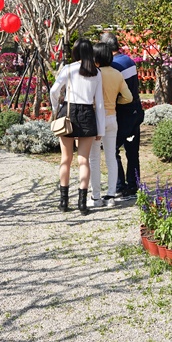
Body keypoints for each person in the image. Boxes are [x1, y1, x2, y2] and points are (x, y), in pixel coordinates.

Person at [49, 38, 106, 215]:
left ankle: (63, 202)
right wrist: (101, 129)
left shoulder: (69, 69)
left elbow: (53, 90)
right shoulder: (96, 72)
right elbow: (100, 103)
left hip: (68, 111)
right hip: (88, 114)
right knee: (84, 160)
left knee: (65, 159)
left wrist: (54, 108)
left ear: (75, 52)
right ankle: (82, 204)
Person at [88, 41, 133, 208]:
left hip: (95, 118)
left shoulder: (94, 74)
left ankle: (96, 197)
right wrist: (115, 101)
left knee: (94, 158)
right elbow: (128, 97)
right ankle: (111, 195)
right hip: (112, 117)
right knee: (111, 157)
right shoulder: (117, 74)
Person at [100, 32, 142, 198]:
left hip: (122, 113)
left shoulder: (114, 67)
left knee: (112, 149)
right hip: (135, 111)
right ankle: (134, 184)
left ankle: (119, 185)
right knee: (132, 151)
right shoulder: (128, 60)